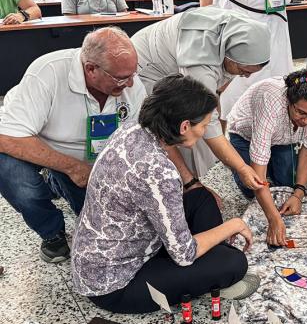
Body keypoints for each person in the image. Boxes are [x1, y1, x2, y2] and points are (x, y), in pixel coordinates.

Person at [72, 75, 258, 313]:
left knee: (201, 198)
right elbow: (184, 253)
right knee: (234, 263)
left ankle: (211, 265)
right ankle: (215, 270)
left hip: (109, 253)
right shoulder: (159, 171)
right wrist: (234, 224)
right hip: (115, 285)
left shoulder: (133, 128)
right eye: (204, 125)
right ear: (184, 127)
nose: (204, 132)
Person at [0, 27, 146, 263]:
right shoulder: (47, 72)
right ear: (91, 69)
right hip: (44, 146)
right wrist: (72, 167)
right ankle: (52, 231)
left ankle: (58, 183)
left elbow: (138, 138)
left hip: (94, 162)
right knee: (10, 171)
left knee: (104, 223)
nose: (130, 84)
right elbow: (7, 138)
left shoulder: (129, 79)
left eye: (132, 75)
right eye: (121, 78)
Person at [131, 6, 271, 179]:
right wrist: (241, 168)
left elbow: (216, 94)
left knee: (202, 136)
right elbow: (208, 120)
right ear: (228, 57)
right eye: (243, 70)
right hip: (149, 68)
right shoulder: (200, 59)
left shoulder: (240, 35)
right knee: (180, 132)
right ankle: (186, 185)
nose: (246, 76)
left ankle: (199, 181)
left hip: (178, 65)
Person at [199, 0, 307, 130]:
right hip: (237, 19)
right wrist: (208, 18)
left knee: (278, 88)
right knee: (230, 94)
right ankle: (221, 147)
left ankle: (271, 142)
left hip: (276, 23)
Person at [228, 68, 307, 246]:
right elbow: (258, 174)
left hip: (285, 138)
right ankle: (233, 156)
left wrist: (299, 192)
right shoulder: (270, 100)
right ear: (289, 101)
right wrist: (274, 219)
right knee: (250, 187)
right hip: (244, 135)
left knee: (286, 186)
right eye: (301, 112)